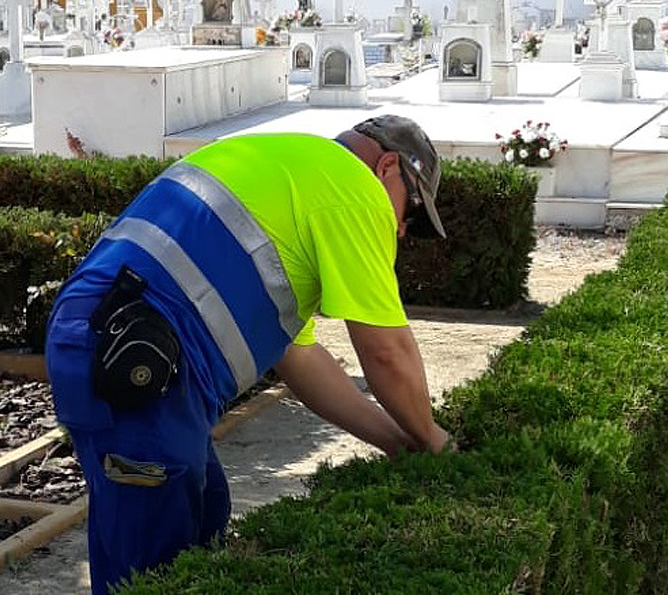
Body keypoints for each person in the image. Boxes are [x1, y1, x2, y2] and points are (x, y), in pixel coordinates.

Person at [45, 115, 455, 594]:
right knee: (154, 565)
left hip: (125, 346)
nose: (401, 230)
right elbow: (386, 350)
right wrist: (434, 440)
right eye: (409, 213)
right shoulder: (354, 189)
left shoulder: (295, 172)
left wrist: (399, 442)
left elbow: (300, 362)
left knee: (204, 512)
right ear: (388, 166)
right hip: (134, 356)